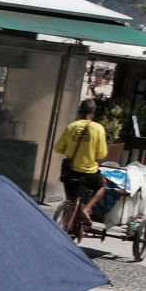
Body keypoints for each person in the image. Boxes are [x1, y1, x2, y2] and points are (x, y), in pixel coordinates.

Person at [54, 98, 109, 234]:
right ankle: (87, 209)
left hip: (71, 171)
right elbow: (102, 154)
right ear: (93, 112)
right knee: (102, 185)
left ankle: (68, 222)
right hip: (89, 172)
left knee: (70, 198)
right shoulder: (98, 128)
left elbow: (58, 148)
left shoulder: (71, 127)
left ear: (79, 112)